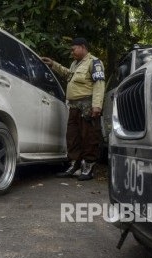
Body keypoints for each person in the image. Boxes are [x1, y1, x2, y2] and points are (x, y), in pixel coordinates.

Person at [41, 37, 105, 181]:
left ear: (82, 47)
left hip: (88, 106)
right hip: (74, 106)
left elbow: (99, 84)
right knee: (73, 136)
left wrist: (97, 105)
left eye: (73, 49)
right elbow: (68, 74)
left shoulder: (94, 62)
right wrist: (54, 65)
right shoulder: (75, 64)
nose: (72, 52)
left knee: (89, 137)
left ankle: (89, 167)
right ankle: (74, 165)